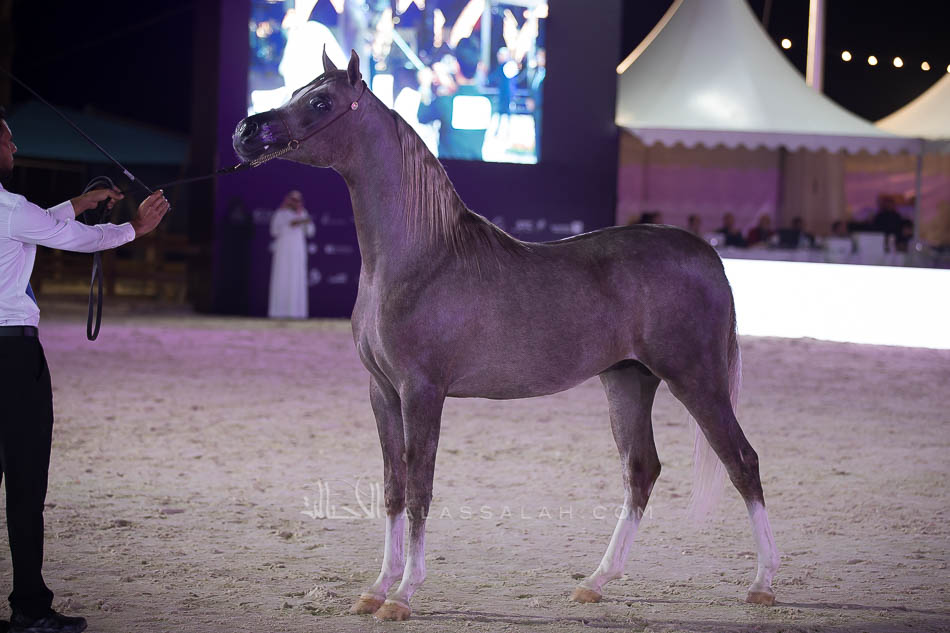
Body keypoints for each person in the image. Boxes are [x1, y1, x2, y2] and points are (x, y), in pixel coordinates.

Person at [0, 106, 168, 633]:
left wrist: (78, 203)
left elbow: (33, 225)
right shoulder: (10, 207)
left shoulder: (13, 212)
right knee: (25, 485)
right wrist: (136, 227)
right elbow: (73, 238)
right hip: (11, 357)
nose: (14, 148)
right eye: (6, 141)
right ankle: (30, 607)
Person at [417, 37, 488, 160]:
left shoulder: (445, 102)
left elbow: (422, 116)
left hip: (449, 169)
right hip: (478, 169)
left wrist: (424, 86)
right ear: (478, 66)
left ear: (456, 66)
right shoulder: (488, 103)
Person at [268, 190, 314, 319]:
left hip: (297, 253)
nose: (295, 203)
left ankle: (297, 312)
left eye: (298, 200)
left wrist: (303, 220)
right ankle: (278, 312)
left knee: (297, 279)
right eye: (293, 200)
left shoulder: (303, 213)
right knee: (282, 279)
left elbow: (310, 232)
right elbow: (274, 231)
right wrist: (289, 224)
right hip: (283, 253)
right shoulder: (280, 213)